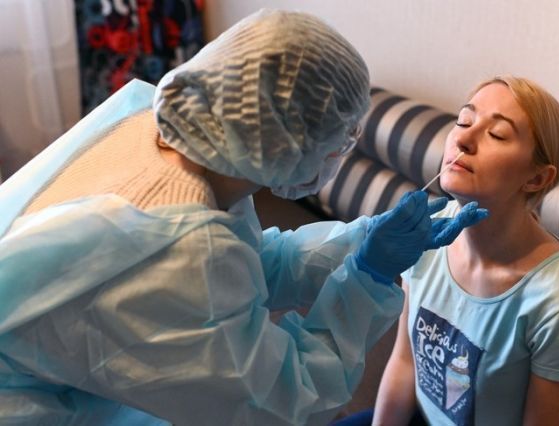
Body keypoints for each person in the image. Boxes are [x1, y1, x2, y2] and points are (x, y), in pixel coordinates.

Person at [0, 9, 487, 426]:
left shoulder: (177, 140)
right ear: (288, 140)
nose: (341, 149)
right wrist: (369, 278)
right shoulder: (185, 251)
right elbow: (281, 402)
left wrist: (361, 241)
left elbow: (251, 262)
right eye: (339, 137)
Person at [337, 76, 559, 426]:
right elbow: (406, 362)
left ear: (536, 179)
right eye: (464, 121)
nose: (464, 139)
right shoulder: (428, 232)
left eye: (497, 134)